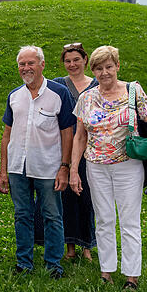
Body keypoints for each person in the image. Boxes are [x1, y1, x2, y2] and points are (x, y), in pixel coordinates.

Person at [69, 45, 147, 290]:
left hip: (127, 165)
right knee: (104, 219)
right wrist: (73, 170)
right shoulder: (86, 97)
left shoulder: (133, 91)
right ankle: (106, 271)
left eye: (108, 67)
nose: (104, 72)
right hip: (96, 166)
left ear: (117, 66)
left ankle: (131, 277)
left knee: (129, 220)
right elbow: (79, 136)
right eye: (98, 68)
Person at [0, 45, 75, 279]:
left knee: (52, 216)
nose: (26, 68)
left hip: (48, 167)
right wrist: (3, 171)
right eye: (22, 64)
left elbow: (67, 133)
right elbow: (6, 135)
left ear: (42, 64)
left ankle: (54, 265)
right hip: (17, 168)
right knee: (22, 215)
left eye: (30, 63)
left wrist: (65, 168)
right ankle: (24, 263)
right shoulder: (14, 95)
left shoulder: (59, 93)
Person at [53, 43, 98, 260]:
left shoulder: (97, 84)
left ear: (85, 60)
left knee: (88, 197)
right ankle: (69, 247)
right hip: (67, 146)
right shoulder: (58, 85)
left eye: (76, 60)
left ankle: (87, 246)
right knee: (68, 198)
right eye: (68, 61)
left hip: (94, 148)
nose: (72, 64)